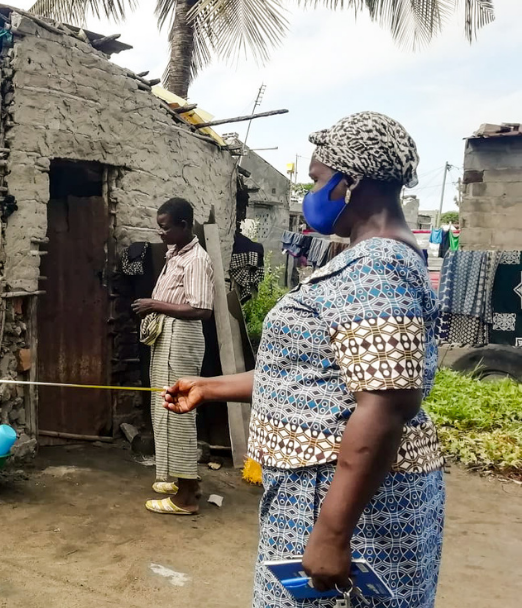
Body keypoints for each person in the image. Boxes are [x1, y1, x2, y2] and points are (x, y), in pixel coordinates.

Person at [163, 112, 445, 607]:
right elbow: (315, 373)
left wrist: (333, 532)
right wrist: (212, 386)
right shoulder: (370, 259)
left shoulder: (378, 266)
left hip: (335, 492)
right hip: (325, 488)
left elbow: (384, 404)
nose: (309, 194)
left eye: (316, 180)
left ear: (351, 183)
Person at [131, 197, 214, 515]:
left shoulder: (196, 259)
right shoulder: (176, 254)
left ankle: (187, 495)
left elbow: (201, 309)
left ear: (184, 225)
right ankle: (175, 477)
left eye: (165, 228)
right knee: (163, 406)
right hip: (168, 336)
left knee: (178, 411)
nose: (161, 234)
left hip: (182, 338)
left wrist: (154, 305)